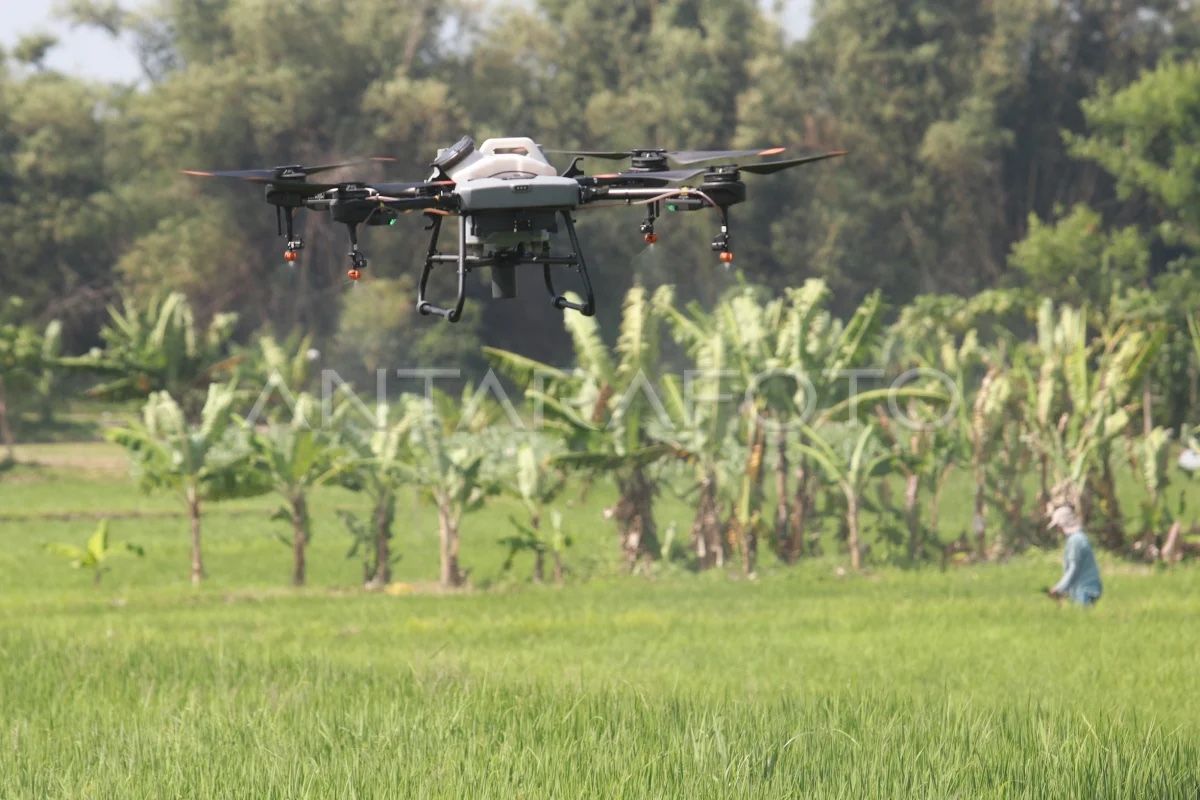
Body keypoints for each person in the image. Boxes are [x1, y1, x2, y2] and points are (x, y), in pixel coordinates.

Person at [1045, 504, 1102, 607]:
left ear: (1063, 524)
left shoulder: (1075, 541)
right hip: (1085, 588)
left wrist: (1059, 588)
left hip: (1084, 589)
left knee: (1082, 616)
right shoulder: (1078, 538)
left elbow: (1073, 568)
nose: (1057, 530)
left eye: (1057, 526)